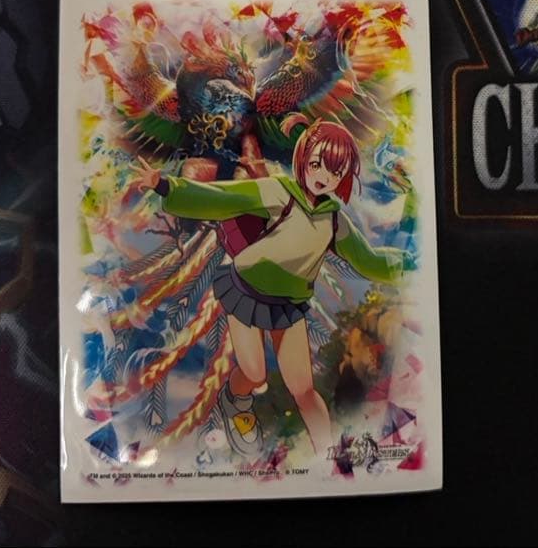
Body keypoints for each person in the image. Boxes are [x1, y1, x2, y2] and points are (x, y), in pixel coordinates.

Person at [132, 114, 408, 457]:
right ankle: (236, 399)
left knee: (303, 389)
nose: (323, 177)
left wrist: (410, 261)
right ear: (303, 158)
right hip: (246, 289)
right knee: (254, 373)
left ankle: (331, 459)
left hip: (289, 305)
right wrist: (165, 186)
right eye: (317, 164)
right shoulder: (278, 190)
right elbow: (222, 198)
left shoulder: (335, 220)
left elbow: (369, 260)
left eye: (334, 172)